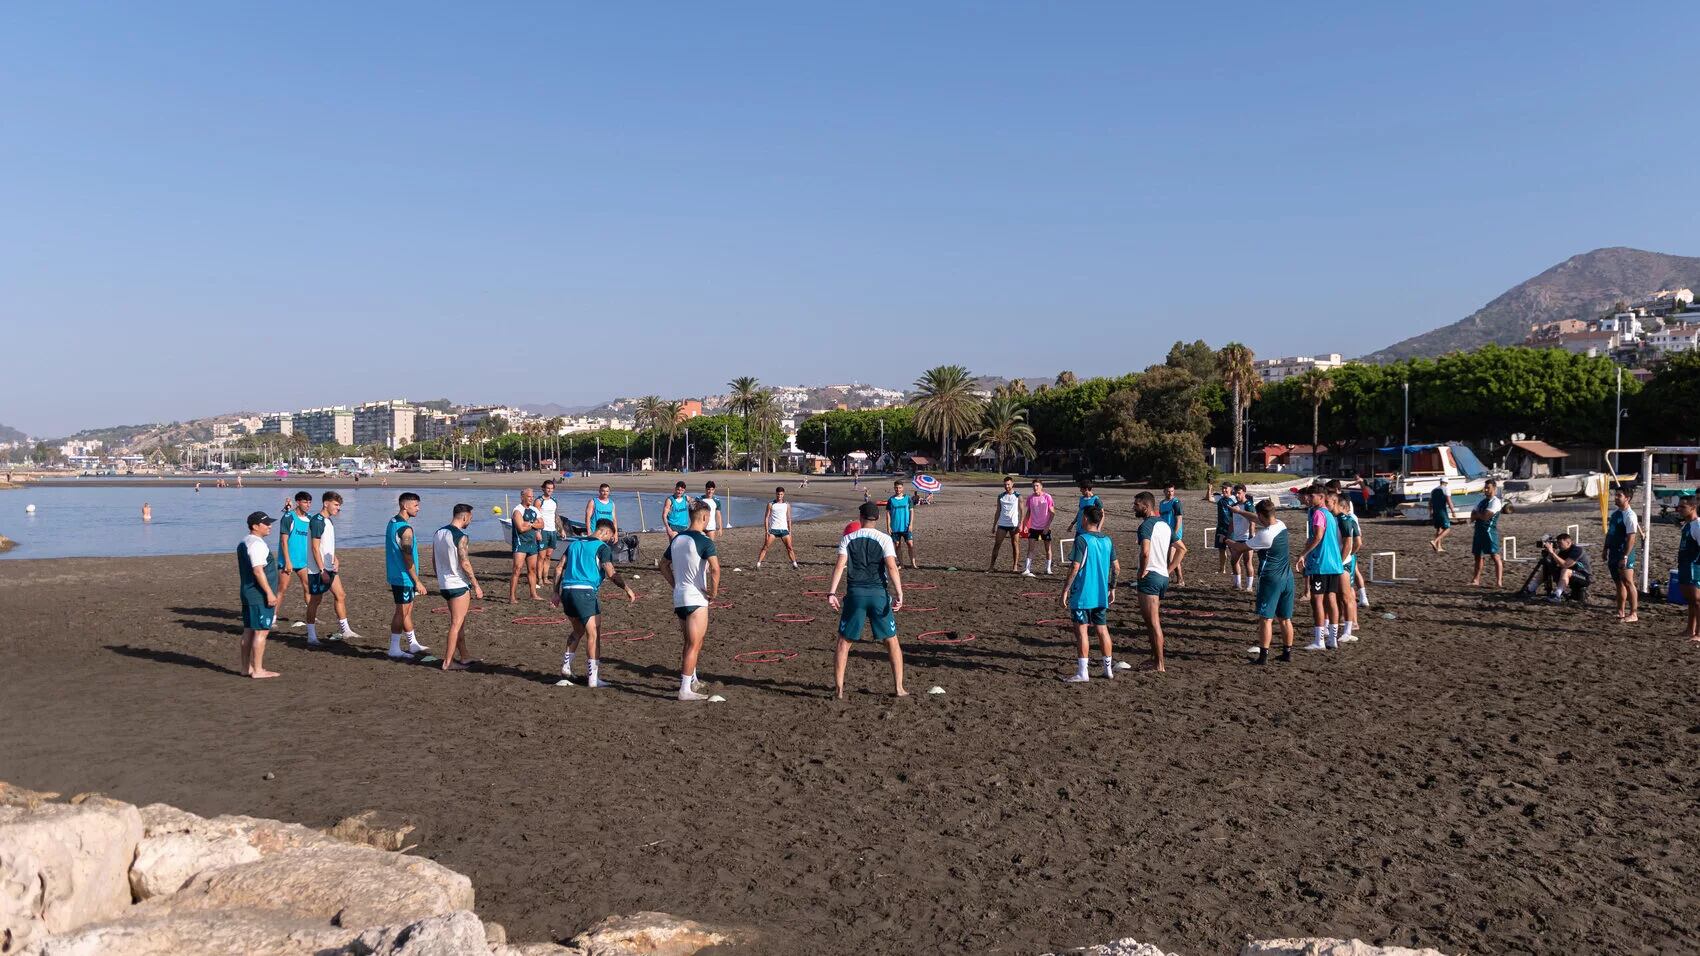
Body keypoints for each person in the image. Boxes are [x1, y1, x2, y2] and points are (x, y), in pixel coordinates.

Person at [827, 502, 907, 698]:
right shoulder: (885, 539)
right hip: (879, 595)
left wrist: (831, 593)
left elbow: (839, 567)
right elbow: (892, 567)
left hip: (855, 595)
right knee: (892, 642)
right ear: (878, 518)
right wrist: (900, 593)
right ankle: (898, 688)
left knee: (844, 643)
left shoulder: (848, 538)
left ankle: (839, 689)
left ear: (860, 517)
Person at [552, 518, 637, 688]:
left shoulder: (574, 544)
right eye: (610, 537)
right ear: (605, 532)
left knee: (577, 631)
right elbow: (611, 573)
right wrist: (627, 588)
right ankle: (593, 678)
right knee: (594, 634)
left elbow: (558, 568)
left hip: (567, 591)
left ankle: (566, 667)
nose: (610, 541)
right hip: (585, 592)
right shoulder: (602, 547)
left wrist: (555, 592)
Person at [662, 500, 720, 701]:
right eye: (709, 517)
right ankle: (685, 689)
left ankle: (692, 679)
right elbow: (715, 569)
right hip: (696, 598)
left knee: (690, 642)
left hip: (679, 597)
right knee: (694, 644)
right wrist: (714, 592)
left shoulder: (677, 539)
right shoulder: (704, 541)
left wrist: (676, 583)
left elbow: (663, 566)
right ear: (704, 517)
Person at [1227, 497, 1295, 664]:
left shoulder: (1264, 536)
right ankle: (1287, 653)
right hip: (1288, 577)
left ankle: (1263, 656)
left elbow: (1240, 547)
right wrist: (1239, 512)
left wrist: (1225, 540)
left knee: (1266, 618)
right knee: (1285, 619)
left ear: (1262, 516)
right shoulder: (1280, 524)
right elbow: (1256, 518)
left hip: (1271, 579)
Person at [1059, 504, 1118, 682]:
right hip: (1101, 594)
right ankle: (1108, 669)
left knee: (1082, 632)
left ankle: (1083, 672)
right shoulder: (1108, 540)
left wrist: (1065, 590)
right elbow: (1117, 567)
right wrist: (1112, 587)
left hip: (1083, 594)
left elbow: (1075, 566)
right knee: (1102, 630)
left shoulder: (1082, 540)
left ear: (1085, 518)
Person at [1292, 484, 1345, 651]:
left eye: (1311, 496)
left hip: (1322, 564)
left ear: (1321, 497)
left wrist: (1304, 554)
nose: (1308, 498)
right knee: (1331, 599)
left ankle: (1319, 640)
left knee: (1317, 601)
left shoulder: (1318, 513)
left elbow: (1318, 536)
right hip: (1334, 564)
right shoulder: (1329, 514)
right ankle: (1333, 639)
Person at [433, 504, 484, 671]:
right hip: (458, 585)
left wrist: (440, 577)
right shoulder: (461, 536)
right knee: (456, 623)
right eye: (470, 517)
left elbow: (435, 561)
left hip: (444, 584)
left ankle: (464, 656)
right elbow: (465, 562)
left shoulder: (438, 533)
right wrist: (476, 584)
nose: (471, 520)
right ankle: (447, 662)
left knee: (459, 622)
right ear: (464, 517)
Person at [304, 491, 359, 646]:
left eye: (339, 505)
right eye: (335, 505)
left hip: (330, 567)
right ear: (325, 503)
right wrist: (322, 570)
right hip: (317, 570)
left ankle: (346, 630)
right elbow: (315, 548)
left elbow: (327, 545)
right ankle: (311, 636)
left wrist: (335, 558)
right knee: (315, 600)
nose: (338, 508)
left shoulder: (329, 522)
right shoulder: (317, 521)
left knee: (340, 595)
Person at [236, 511, 281, 679]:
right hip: (258, 595)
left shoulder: (244, 542)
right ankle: (258, 670)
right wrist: (269, 593)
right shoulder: (257, 544)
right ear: (255, 526)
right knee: (261, 632)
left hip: (247, 592)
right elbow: (257, 570)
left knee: (248, 630)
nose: (270, 526)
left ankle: (245, 668)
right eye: (266, 523)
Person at [385, 492, 430, 660]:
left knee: (407, 611)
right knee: (401, 612)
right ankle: (394, 648)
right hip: (403, 576)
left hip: (399, 574)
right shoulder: (405, 529)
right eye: (416, 505)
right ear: (405, 506)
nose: (419, 508)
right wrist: (417, 581)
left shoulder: (393, 521)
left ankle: (413, 643)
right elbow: (407, 556)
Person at [1133, 491, 1172, 672]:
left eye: (1137, 504)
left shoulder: (1146, 526)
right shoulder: (1165, 525)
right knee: (1150, 622)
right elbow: (1181, 550)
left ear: (1146, 506)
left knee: (1153, 622)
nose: (1134, 507)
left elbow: (1145, 552)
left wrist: (1142, 570)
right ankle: (1154, 659)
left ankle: (1159, 664)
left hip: (1150, 578)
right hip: (1162, 576)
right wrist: (1168, 569)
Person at [1603, 487, 1641, 623]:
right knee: (1618, 583)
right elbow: (1610, 532)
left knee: (1628, 582)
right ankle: (1620, 611)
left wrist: (1625, 556)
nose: (1615, 497)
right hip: (1613, 552)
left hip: (1624, 553)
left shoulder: (1630, 515)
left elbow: (1632, 538)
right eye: (1615, 495)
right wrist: (1605, 548)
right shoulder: (1615, 513)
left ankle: (1633, 613)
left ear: (1627, 498)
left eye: (1619, 495)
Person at [275, 491, 314, 618]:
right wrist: (287, 561)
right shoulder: (288, 517)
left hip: (303, 561)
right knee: (282, 589)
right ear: (298, 502)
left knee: (308, 587)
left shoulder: (309, 518)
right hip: (288, 561)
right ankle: (272, 617)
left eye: (309, 502)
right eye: (305, 502)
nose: (308, 505)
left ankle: (312, 616)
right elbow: (284, 541)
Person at [1469, 479, 1513, 588]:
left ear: (1494, 488)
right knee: (1478, 556)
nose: (1486, 490)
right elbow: (1472, 516)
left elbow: (1485, 516)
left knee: (1495, 556)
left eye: (1488, 488)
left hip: (1489, 532)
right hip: (1478, 531)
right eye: (1485, 488)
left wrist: (1478, 515)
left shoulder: (1495, 501)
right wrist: (1478, 515)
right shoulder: (1482, 501)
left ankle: (1498, 582)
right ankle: (1476, 580)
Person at [1332, 487, 1362, 643]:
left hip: (1342, 563)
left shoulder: (1345, 519)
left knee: (1346, 596)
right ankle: (1340, 628)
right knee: (1338, 596)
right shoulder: (1344, 519)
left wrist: (1345, 558)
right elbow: (1357, 542)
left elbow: (1354, 542)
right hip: (1341, 561)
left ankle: (1349, 630)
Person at [1535, 531, 1590, 604]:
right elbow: (1554, 565)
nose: (1558, 545)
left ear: (1568, 542)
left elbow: (1565, 565)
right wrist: (1550, 555)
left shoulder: (1577, 550)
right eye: (1558, 543)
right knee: (1547, 566)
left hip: (1584, 577)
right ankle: (1531, 588)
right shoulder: (1562, 552)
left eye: (1560, 543)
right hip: (1572, 575)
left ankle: (1557, 596)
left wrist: (1552, 553)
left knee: (1565, 570)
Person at [508, 487, 542, 603]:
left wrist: (530, 524)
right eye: (529, 497)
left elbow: (542, 524)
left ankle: (533, 594)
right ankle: (512, 596)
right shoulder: (517, 510)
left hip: (532, 542)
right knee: (517, 569)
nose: (531, 499)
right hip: (520, 543)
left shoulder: (534, 510)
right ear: (522, 497)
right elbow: (521, 528)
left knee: (532, 569)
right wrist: (533, 524)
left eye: (532, 497)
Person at [756, 486, 799, 569]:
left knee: (790, 548)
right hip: (773, 530)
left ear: (783, 494)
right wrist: (766, 531)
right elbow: (766, 517)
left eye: (781, 494)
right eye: (778, 494)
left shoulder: (787, 505)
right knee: (765, 547)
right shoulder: (771, 504)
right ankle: (758, 564)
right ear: (776, 494)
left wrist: (790, 531)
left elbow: (789, 518)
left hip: (784, 530)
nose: (779, 496)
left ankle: (795, 564)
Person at [1676, 495, 1700, 641]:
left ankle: (1698, 633)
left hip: (1694, 566)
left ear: (1693, 507)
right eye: (1679, 506)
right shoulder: (1687, 525)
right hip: (1684, 565)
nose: (1679, 509)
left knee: (1697, 600)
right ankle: (1689, 629)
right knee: (1690, 600)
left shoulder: (1697, 525)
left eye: (1683, 507)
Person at [986, 476, 1022, 573]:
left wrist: (1020, 524)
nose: (1006, 486)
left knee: (1015, 545)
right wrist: (994, 525)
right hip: (1002, 524)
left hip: (1014, 524)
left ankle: (1015, 566)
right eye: (1005, 484)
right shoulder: (1000, 496)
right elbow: (998, 511)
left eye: (1008, 484)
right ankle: (991, 566)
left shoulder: (1018, 496)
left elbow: (1022, 511)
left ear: (1012, 484)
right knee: (997, 544)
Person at [1021, 478, 1055, 577]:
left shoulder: (1047, 497)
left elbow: (1052, 513)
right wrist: (1025, 525)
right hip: (1034, 527)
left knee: (1047, 549)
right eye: (1033, 486)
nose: (1035, 488)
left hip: (1045, 527)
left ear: (1041, 487)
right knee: (1030, 548)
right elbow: (1028, 512)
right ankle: (1027, 569)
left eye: (1037, 486)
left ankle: (1048, 568)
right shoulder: (1030, 498)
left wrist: (1047, 527)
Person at [1158, 483, 1187, 587]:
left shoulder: (1176, 502)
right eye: (1168, 491)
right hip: (1165, 533)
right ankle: (1178, 578)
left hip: (1174, 534)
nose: (1170, 493)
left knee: (1171, 557)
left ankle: (1179, 579)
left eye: (1172, 491)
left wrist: (1174, 533)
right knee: (1171, 558)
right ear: (1164, 491)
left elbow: (1179, 519)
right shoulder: (1162, 503)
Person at [884, 480, 917, 569]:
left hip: (906, 527)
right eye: (896, 487)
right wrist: (888, 526)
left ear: (902, 488)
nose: (898, 489)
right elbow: (888, 514)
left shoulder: (908, 499)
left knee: (910, 544)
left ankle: (913, 563)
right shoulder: (891, 500)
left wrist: (911, 524)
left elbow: (911, 512)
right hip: (895, 527)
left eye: (899, 487)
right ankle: (901, 564)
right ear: (894, 488)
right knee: (897, 545)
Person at [1228, 485, 1254, 592]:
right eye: (1235, 493)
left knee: (1247, 562)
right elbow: (1232, 522)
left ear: (1244, 492)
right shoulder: (1234, 506)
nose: (1237, 495)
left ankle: (1249, 586)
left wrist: (1252, 535)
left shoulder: (1249, 505)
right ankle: (1237, 584)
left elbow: (1252, 521)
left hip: (1247, 537)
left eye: (1239, 493)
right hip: (1237, 538)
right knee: (1234, 561)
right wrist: (1228, 535)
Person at [535, 479, 559, 588]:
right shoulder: (539, 501)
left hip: (552, 531)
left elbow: (556, 516)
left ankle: (545, 577)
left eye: (551, 488)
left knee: (548, 556)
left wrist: (561, 529)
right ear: (543, 488)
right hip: (543, 530)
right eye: (547, 488)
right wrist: (537, 531)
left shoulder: (554, 500)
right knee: (541, 556)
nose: (549, 490)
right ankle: (539, 578)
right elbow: (535, 517)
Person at [1428, 477, 1458, 552]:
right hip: (1442, 512)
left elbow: (1430, 502)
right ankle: (1434, 541)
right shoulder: (1446, 489)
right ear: (1447, 483)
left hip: (1435, 512)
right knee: (1447, 528)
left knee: (1439, 529)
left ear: (1440, 482)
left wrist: (1431, 511)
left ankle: (1439, 547)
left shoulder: (1433, 490)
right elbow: (1449, 501)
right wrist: (1453, 511)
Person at [1214, 481, 1235, 573]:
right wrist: (1209, 489)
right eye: (1223, 488)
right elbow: (1209, 498)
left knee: (1233, 549)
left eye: (1226, 488)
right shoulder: (1220, 498)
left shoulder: (1234, 499)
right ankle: (1222, 569)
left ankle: (1235, 569)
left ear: (1230, 489)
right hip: (1221, 528)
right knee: (1221, 549)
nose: (1224, 490)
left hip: (1231, 528)